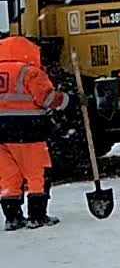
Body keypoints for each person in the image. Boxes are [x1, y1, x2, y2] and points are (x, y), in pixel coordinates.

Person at [0, 36, 72, 231]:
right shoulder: (30, 72)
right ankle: (37, 216)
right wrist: (67, 100)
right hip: (27, 130)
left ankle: (13, 218)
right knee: (37, 173)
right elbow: (47, 98)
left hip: (1, 135)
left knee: (8, 177)